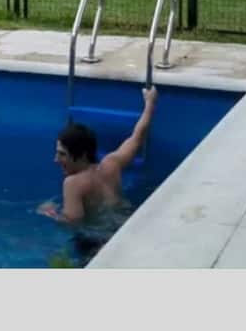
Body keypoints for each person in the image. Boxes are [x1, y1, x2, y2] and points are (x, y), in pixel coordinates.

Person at [38, 86, 158, 227]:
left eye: (62, 154)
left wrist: (50, 212)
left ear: (82, 155)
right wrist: (150, 103)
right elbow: (137, 137)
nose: (56, 160)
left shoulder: (72, 183)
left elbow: (73, 223)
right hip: (127, 224)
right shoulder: (112, 164)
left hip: (100, 237)